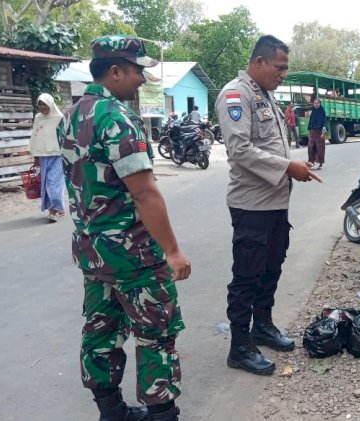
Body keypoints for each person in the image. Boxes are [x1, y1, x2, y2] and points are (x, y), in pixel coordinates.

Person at [58, 35, 191, 421]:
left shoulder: (72, 115)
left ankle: (111, 412)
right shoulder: (116, 117)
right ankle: (162, 414)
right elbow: (145, 194)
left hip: (91, 251)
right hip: (133, 255)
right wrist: (172, 251)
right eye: (136, 72)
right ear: (115, 71)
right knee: (156, 334)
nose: (140, 80)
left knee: (101, 330)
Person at [215, 35, 321, 375]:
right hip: (252, 205)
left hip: (275, 202)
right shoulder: (236, 94)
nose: (283, 74)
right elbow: (240, 149)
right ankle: (239, 346)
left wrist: (290, 167)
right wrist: (288, 167)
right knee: (247, 275)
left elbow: (271, 146)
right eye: (280, 67)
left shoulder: (265, 96)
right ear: (259, 62)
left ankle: (262, 325)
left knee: (271, 267)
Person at [29, 93, 66, 222]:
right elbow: (35, 135)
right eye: (40, 104)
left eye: (45, 104)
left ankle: (56, 209)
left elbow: (66, 136)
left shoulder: (60, 118)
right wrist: (34, 154)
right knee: (45, 184)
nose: (42, 107)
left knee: (53, 183)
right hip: (43, 155)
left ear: (50, 103)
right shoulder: (38, 118)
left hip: (58, 155)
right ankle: (54, 209)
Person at [307, 98, 327, 169]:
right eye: (315, 103)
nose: (316, 104)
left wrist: (323, 133)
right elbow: (310, 121)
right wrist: (308, 130)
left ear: (320, 104)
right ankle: (311, 162)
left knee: (320, 148)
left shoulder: (322, 112)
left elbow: (324, 122)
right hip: (312, 131)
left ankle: (320, 163)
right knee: (310, 147)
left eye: (317, 103)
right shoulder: (313, 111)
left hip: (319, 132)